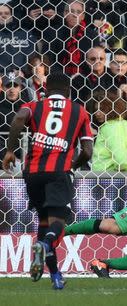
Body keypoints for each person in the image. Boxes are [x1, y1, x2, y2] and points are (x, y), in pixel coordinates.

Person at [2, 72, 93, 289]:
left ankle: (55, 276)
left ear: (45, 88)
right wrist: (73, 164)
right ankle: (43, 245)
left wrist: (9, 150)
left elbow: (18, 119)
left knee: (45, 222)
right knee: (58, 224)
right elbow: (88, 151)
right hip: (58, 173)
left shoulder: (33, 105)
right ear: (69, 91)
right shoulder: (79, 111)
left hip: (32, 173)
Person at [91, 90, 127, 172]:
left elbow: (119, 151)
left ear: (111, 108)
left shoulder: (111, 127)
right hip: (112, 173)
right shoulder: (123, 123)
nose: (97, 113)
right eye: (96, 110)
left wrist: (126, 166)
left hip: (108, 175)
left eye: (102, 109)